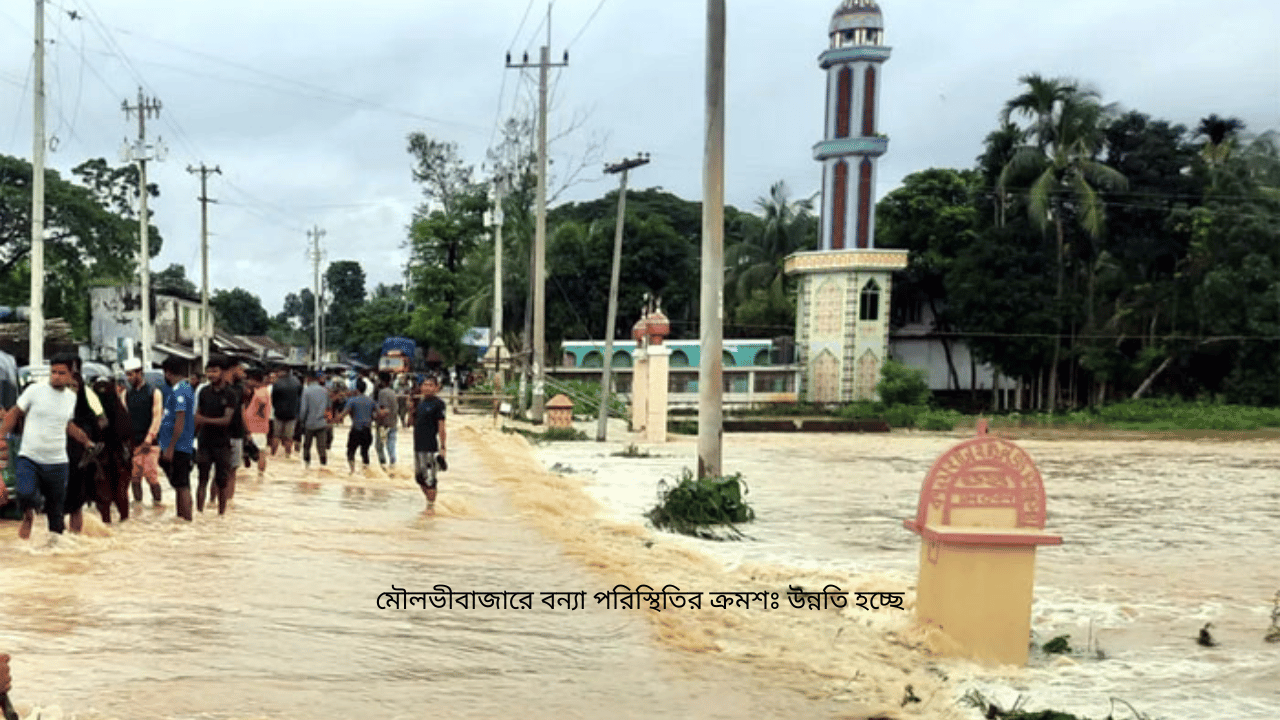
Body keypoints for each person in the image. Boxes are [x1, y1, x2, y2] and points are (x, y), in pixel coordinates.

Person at [0, 354, 96, 539]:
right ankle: (28, 515)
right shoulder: (35, 390)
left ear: (70, 375)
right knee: (25, 493)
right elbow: (15, 413)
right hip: (29, 456)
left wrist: (85, 441)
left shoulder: (71, 398)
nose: (56, 376)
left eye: (61, 373)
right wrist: (1, 436)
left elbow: (67, 424)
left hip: (58, 462)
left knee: (56, 516)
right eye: (53, 372)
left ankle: (55, 556)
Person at [194, 356, 236, 515]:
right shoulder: (204, 392)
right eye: (208, 371)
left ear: (222, 373)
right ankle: (199, 513)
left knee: (222, 482)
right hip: (204, 442)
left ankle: (221, 515)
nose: (211, 374)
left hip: (222, 443)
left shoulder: (230, 394)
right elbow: (197, 415)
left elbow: (226, 420)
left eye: (215, 371)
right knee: (201, 480)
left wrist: (203, 420)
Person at [121, 357, 164, 506]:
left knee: (152, 477)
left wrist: (149, 439)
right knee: (134, 478)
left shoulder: (154, 392)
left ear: (140, 373)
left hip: (150, 443)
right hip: (133, 442)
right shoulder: (126, 394)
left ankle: (158, 505)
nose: (129, 378)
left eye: (131, 374)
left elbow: (157, 417)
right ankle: (138, 506)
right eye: (127, 375)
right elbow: (124, 418)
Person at [157, 356, 196, 521]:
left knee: (182, 485)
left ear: (168, 373)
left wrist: (171, 447)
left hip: (179, 446)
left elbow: (179, 420)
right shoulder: (184, 388)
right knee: (180, 485)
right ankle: (181, 519)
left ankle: (185, 518)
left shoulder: (180, 391)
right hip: (179, 444)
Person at [90, 376, 132, 523]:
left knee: (117, 495)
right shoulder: (96, 410)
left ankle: (121, 528)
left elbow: (125, 433)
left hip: (116, 457)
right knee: (105, 497)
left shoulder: (118, 409)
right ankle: (113, 528)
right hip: (102, 458)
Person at [412, 376, 447, 512]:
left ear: (437, 388)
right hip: (418, 446)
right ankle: (430, 503)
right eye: (425, 385)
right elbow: (412, 423)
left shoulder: (439, 404)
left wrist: (443, 447)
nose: (427, 388)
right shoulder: (420, 403)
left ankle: (431, 507)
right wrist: (410, 410)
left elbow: (441, 427)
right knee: (419, 478)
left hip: (431, 447)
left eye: (430, 385)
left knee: (430, 479)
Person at [336, 386, 377, 474]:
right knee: (365, 452)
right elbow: (378, 414)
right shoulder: (371, 400)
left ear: (357, 390)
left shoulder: (352, 401)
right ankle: (367, 472)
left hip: (356, 430)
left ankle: (352, 471)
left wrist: (335, 418)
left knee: (350, 452)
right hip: (367, 430)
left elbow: (344, 413)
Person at [297, 373, 331, 471]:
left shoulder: (306, 391)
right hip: (322, 423)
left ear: (309, 379)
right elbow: (328, 408)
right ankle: (323, 467)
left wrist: (302, 421)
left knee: (307, 446)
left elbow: (303, 409)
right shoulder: (325, 391)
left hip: (309, 424)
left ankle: (306, 468)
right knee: (321, 447)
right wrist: (329, 421)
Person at [244, 369, 272, 477]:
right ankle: (259, 474)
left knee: (260, 451)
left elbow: (262, 404)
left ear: (254, 380)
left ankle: (260, 474)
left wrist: (259, 414)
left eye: (249, 380)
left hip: (256, 426)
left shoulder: (261, 392)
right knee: (258, 451)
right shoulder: (262, 391)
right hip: (256, 426)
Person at [269, 366, 301, 458]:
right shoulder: (296, 382)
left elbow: (273, 398)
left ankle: (273, 454)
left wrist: (276, 407)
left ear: (283, 372)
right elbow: (299, 397)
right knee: (289, 437)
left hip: (279, 413)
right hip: (292, 414)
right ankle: (288, 455)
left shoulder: (277, 383)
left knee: (276, 436)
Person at [374, 373, 398, 472]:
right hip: (393, 423)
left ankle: (383, 466)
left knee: (379, 446)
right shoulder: (393, 392)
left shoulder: (382, 393)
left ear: (381, 381)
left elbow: (384, 410)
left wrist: (375, 417)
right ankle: (393, 465)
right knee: (391, 446)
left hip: (384, 425)